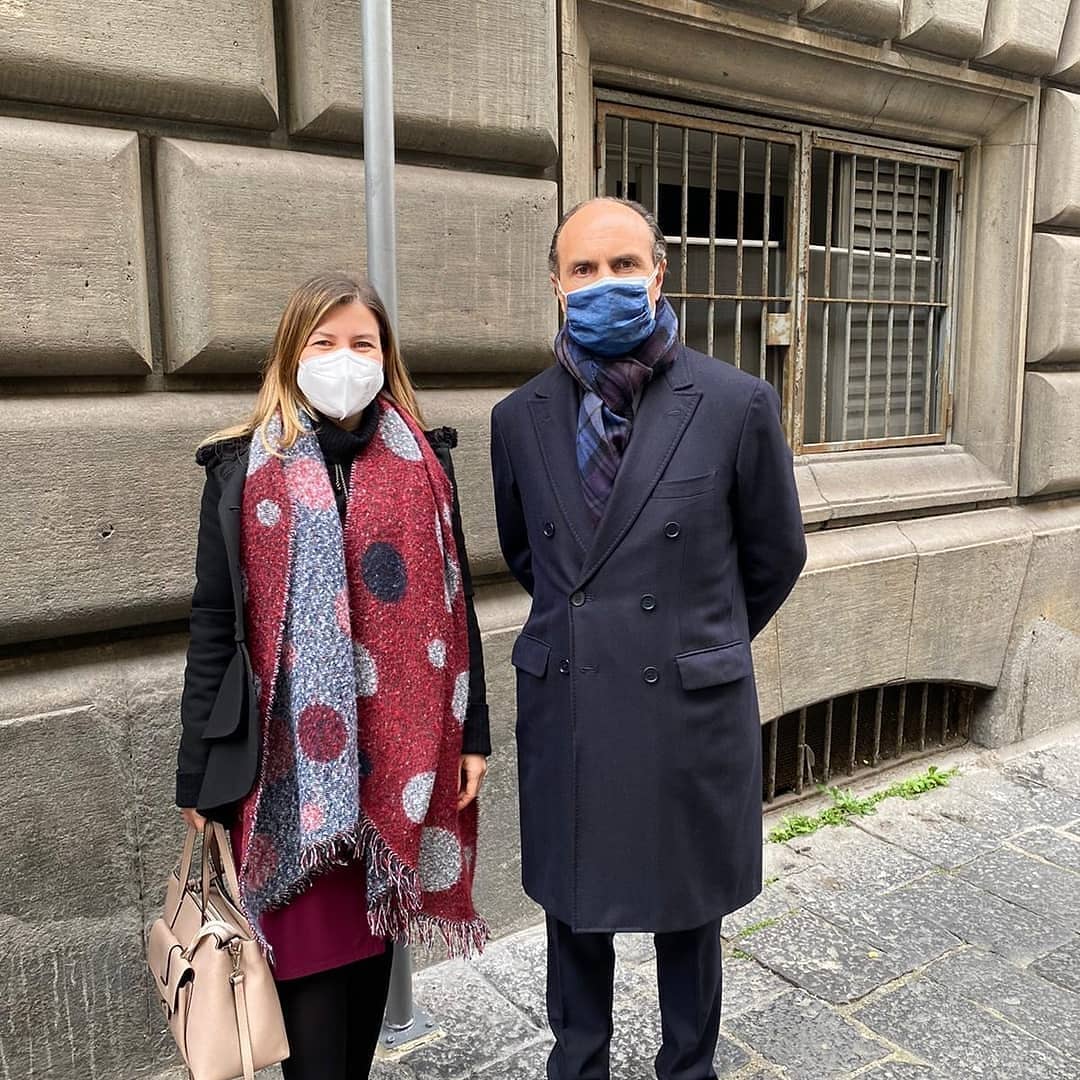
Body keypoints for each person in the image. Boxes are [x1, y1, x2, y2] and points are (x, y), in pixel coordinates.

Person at [490, 197, 806, 1080]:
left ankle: (689, 1067)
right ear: (557, 284)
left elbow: (775, 555)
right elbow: (532, 557)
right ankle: (577, 1063)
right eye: (584, 269)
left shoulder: (735, 402)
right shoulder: (518, 418)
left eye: (624, 265)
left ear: (659, 274)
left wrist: (696, 638)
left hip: (685, 706)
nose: (605, 283)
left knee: (688, 910)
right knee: (572, 907)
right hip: (572, 698)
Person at [175, 271, 490, 1080]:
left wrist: (473, 736)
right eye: (324, 342)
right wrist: (197, 776)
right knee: (313, 1036)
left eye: (362, 343)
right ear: (291, 353)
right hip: (288, 788)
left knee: (361, 1009)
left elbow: (458, 606)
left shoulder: (426, 462)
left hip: (395, 776)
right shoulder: (239, 469)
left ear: (386, 357)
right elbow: (214, 628)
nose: (344, 358)